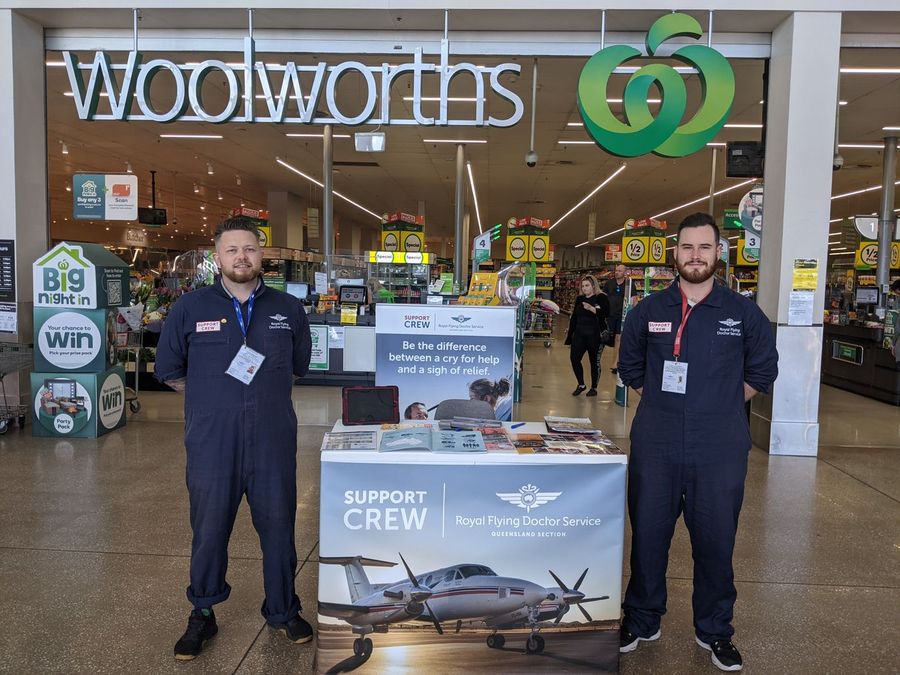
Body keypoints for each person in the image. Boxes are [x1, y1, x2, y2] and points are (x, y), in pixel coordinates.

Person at [617, 213, 778, 672]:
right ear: (675, 253)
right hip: (657, 443)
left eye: (704, 248)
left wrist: (718, 403)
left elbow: (763, 370)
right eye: (687, 247)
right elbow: (630, 368)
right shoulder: (648, 311)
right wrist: (672, 405)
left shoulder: (742, 313)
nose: (695, 256)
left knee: (715, 541)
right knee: (648, 535)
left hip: (719, 447)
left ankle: (715, 631)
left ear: (718, 253)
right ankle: (643, 618)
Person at [155, 217, 314, 661]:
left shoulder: (288, 309)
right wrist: (216, 398)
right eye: (231, 250)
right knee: (208, 530)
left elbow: (299, 367)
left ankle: (283, 609)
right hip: (211, 441)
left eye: (249, 248)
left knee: (281, 528)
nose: (241, 257)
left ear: (262, 255)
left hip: (272, 439)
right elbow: (169, 371)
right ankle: (202, 612)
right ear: (218, 257)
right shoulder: (190, 308)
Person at [565, 275, 610, 397]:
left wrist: (591, 308)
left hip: (595, 335)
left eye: (587, 286)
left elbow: (606, 313)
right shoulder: (580, 299)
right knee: (574, 358)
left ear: (593, 286)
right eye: (583, 286)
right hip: (579, 333)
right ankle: (581, 384)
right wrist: (570, 333)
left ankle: (594, 387)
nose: (584, 288)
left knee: (593, 362)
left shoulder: (601, 298)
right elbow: (574, 317)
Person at [603, 264, 628, 373]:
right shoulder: (609, 283)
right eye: (616, 270)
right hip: (609, 315)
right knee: (604, 336)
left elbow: (634, 299)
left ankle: (615, 363)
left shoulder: (629, 284)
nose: (616, 272)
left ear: (624, 272)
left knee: (619, 339)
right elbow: (603, 297)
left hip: (622, 316)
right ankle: (596, 358)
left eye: (619, 271)